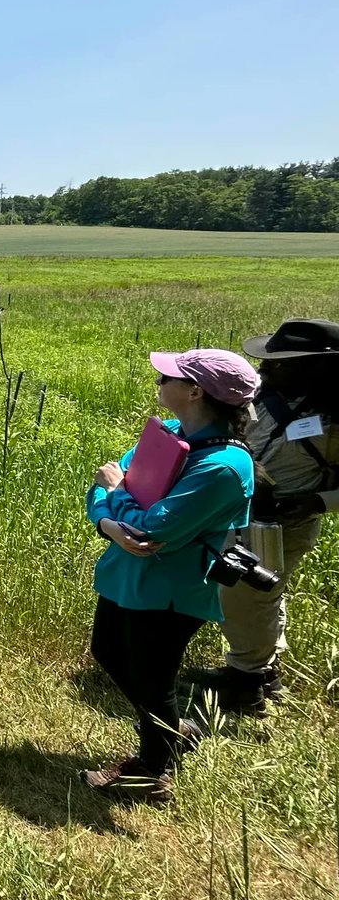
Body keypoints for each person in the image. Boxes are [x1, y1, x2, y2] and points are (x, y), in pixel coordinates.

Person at [82, 348, 259, 804]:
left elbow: (152, 528)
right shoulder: (172, 433)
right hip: (130, 573)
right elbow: (104, 484)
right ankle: (174, 730)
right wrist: (108, 523)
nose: (159, 381)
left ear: (196, 391)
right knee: (107, 650)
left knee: (153, 680)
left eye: (169, 377)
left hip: (171, 591)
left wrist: (118, 507)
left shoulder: (224, 466)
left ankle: (151, 774)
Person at [186, 319, 339, 715]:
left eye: (280, 363)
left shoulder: (336, 418)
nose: (265, 370)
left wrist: (317, 502)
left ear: (317, 367)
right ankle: (261, 670)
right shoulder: (263, 393)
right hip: (238, 513)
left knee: (247, 597)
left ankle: (246, 685)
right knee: (259, 597)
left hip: (282, 524)